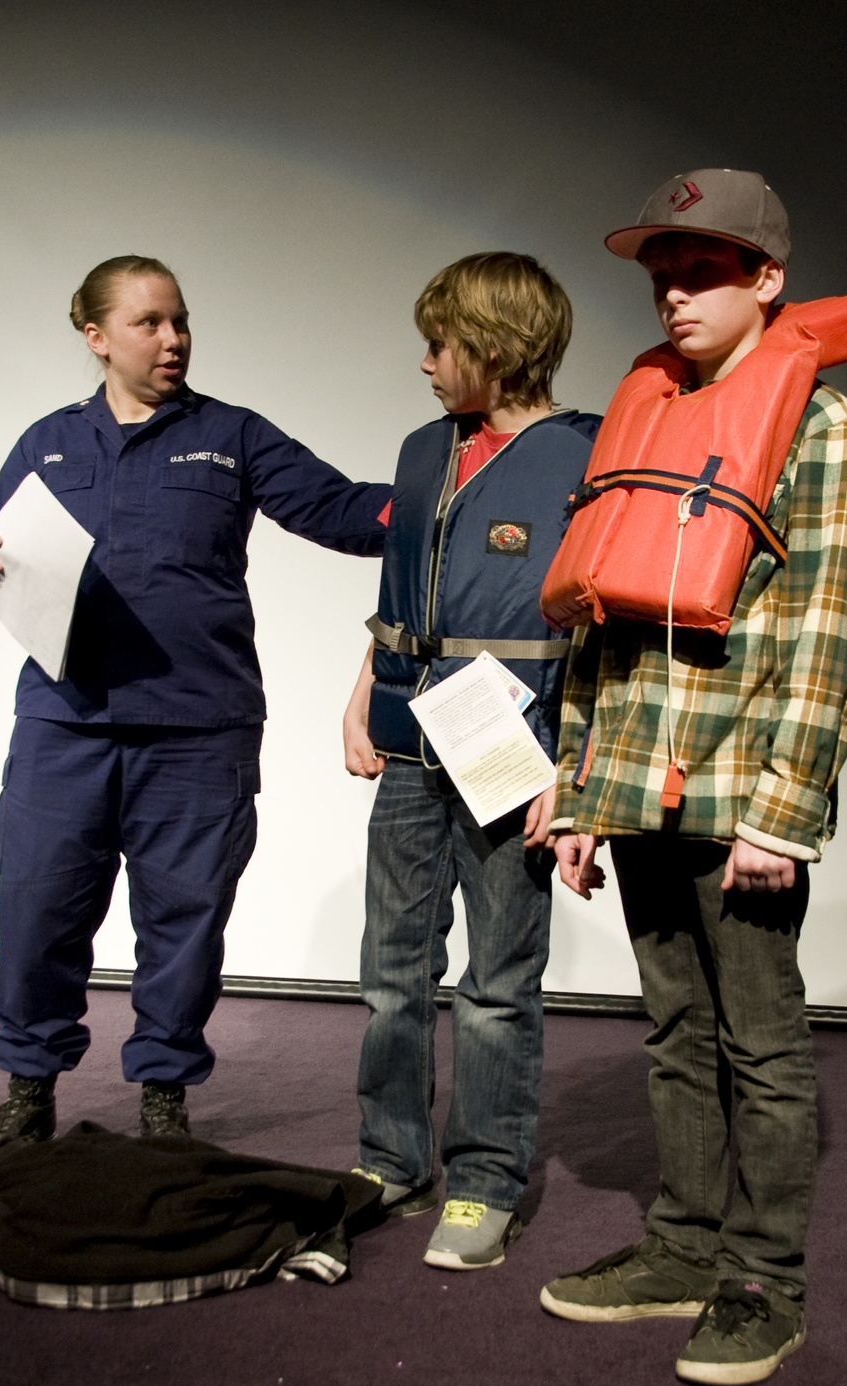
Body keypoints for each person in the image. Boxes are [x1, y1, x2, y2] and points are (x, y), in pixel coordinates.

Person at [539, 171, 847, 1385]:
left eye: (702, 269)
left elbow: (831, 627)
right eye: (660, 270)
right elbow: (600, 619)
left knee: (759, 1042)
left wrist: (785, 812)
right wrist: (581, 787)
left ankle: (759, 1280)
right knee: (675, 1030)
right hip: (638, 779)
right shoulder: (646, 417)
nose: (672, 291)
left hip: (744, 787)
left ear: (767, 281)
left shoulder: (820, 426)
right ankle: (682, 1243)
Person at [0, 254, 392, 1174]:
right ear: (96, 336)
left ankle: (163, 1099)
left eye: (180, 321)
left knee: (183, 922)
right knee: (36, 911)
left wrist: (450, 498)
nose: (173, 339)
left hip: (200, 728)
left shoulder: (231, 435)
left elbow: (343, 512)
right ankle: (28, 1093)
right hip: (64, 726)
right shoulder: (46, 443)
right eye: (150, 323)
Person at [343, 252, 602, 1269]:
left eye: (439, 343)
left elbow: (604, 633)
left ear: (495, 348)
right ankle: (390, 1158)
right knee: (390, 970)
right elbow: (405, 586)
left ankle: (485, 1179)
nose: (424, 363)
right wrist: (363, 688)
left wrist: (574, 771)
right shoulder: (421, 450)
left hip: (519, 752)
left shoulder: (585, 456)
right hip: (414, 742)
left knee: (498, 982)